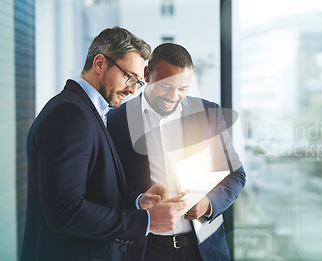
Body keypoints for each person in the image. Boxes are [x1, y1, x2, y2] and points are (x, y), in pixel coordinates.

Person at [21, 27, 189, 261]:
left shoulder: (90, 112)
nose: (132, 90)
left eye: (137, 82)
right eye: (128, 77)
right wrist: (147, 221)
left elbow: (89, 192)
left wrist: (139, 201)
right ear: (99, 63)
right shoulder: (69, 114)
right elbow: (65, 211)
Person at [108, 43, 246, 260]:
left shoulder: (208, 114)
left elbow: (236, 175)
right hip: (146, 250)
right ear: (147, 74)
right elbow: (108, 189)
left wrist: (208, 204)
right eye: (166, 86)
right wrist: (139, 200)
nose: (173, 96)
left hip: (204, 250)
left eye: (182, 89)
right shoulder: (115, 121)